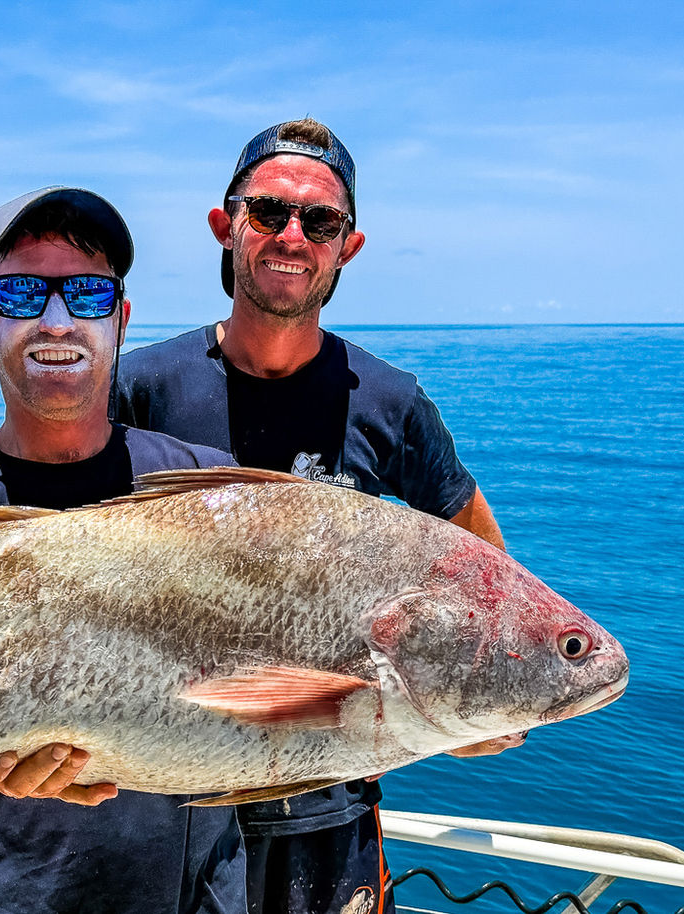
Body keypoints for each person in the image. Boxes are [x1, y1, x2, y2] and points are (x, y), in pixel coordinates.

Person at [117, 119, 515, 914]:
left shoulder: (389, 400)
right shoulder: (140, 388)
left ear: (347, 247)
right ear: (226, 225)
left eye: (320, 221)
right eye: (268, 212)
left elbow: (486, 571)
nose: (292, 236)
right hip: (164, 791)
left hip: (326, 809)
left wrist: (486, 701)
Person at [0, 186, 246, 914]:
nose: (57, 320)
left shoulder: (208, 492)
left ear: (120, 319)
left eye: (86, 293)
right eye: (21, 293)